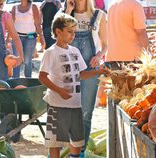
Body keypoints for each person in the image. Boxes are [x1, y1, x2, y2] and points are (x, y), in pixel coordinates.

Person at [39, 13, 109, 158]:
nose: (73, 35)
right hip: (57, 104)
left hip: (76, 104)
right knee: (56, 142)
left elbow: (81, 74)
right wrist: (59, 91)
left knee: (77, 141)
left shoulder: (75, 52)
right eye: (69, 32)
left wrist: (99, 71)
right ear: (58, 32)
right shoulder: (50, 53)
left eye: (74, 32)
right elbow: (42, 77)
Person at [105, 0, 149, 157]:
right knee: (135, 109)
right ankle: (132, 152)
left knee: (119, 106)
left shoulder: (113, 6)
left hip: (113, 59)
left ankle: (117, 150)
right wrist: (150, 55)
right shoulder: (135, 5)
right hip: (131, 60)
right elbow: (141, 33)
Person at [64, 0, 107, 156]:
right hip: (68, 70)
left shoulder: (99, 15)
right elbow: (56, 37)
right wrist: (68, 11)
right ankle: (67, 148)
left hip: (91, 69)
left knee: (86, 113)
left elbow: (105, 44)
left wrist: (99, 55)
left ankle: (79, 152)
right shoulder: (66, 14)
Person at [11, 0, 45, 78]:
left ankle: (28, 80)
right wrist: (8, 39)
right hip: (17, 37)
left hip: (30, 36)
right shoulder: (14, 8)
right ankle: (15, 81)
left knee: (27, 60)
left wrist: (41, 37)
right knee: (16, 59)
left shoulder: (33, 7)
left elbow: (37, 23)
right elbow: (11, 24)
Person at [0, 0, 23, 81]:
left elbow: (15, 37)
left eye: (1, 4)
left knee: (2, 85)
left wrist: (20, 56)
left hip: (0, 57)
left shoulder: (5, 15)